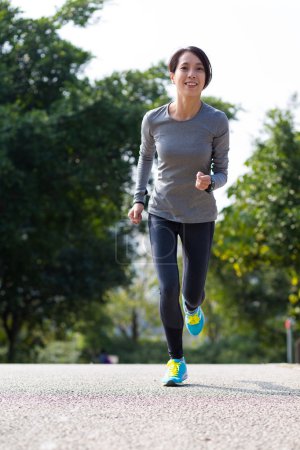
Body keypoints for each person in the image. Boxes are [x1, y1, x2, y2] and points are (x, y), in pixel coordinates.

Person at [128, 46, 229, 386]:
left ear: (205, 77)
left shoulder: (216, 121)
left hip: (200, 215)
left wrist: (210, 181)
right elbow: (144, 159)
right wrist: (138, 200)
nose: (191, 74)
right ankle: (176, 361)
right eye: (184, 67)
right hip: (162, 211)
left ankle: (193, 306)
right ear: (172, 75)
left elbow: (223, 171)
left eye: (199, 68)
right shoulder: (154, 119)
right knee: (167, 286)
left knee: (191, 293)